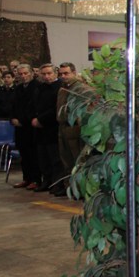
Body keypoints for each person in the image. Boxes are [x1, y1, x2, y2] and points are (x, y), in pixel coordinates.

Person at [55, 63, 86, 197]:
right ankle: (70, 188)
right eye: (61, 74)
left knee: (77, 160)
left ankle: (81, 189)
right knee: (66, 160)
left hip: (74, 128)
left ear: (74, 72)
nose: (63, 76)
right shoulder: (62, 89)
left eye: (66, 73)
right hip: (63, 128)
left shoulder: (81, 89)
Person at [10, 64, 42, 190]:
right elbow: (13, 106)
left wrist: (23, 120)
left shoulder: (37, 87)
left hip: (30, 127)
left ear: (31, 73)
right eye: (21, 74)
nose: (23, 76)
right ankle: (26, 178)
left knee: (34, 155)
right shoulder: (17, 89)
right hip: (19, 127)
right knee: (24, 154)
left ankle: (36, 179)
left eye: (25, 73)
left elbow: (34, 107)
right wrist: (13, 118)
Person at [32, 64, 63, 193]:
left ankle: (57, 184)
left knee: (55, 159)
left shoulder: (60, 88)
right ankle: (47, 181)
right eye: (43, 74)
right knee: (43, 157)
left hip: (53, 128)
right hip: (40, 129)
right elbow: (34, 105)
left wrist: (41, 120)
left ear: (55, 73)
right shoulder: (40, 88)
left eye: (49, 73)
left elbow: (56, 108)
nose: (46, 76)